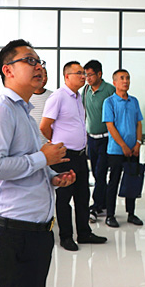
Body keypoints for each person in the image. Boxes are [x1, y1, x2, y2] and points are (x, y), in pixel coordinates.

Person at [0, 39, 76, 287]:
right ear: (7, 70)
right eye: (30, 61)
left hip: (36, 231)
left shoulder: (24, 111)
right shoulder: (1, 111)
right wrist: (43, 158)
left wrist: (53, 178)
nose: (39, 67)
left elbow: (27, 163)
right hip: (16, 233)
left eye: (39, 61)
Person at [40, 61, 107, 251]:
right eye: (79, 73)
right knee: (64, 198)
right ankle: (66, 236)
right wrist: (57, 142)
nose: (83, 76)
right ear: (67, 76)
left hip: (80, 155)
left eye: (83, 73)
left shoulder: (78, 97)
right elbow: (44, 126)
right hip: (64, 155)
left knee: (83, 195)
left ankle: (84, 233)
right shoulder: (58, 96)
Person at [103, 69, 144, 227]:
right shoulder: (109, 102)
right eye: (122, 78)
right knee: (113, 182)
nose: (125, 81)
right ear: (114, 82)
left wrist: (138, 143)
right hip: (116, 150)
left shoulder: (134, 101)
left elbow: (139, 123)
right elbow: (110, 126)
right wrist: (123, 146)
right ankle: (110, 215)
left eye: (127, 78)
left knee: (132, 180)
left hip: (133, 149)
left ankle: (131, 214)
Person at [82, 60, 116, 223]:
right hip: (91, 139)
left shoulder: (109, 90)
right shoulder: (85, 90)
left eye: (90, 75)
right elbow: (83, 112)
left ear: (99, 74)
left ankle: (96, 206)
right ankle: (104, 203)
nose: (87, 78)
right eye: (86, 75)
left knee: (101, 171)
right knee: (96, 173)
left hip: (106, 138)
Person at [29, 67, 53, 145]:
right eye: (40, 75)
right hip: (30, 144)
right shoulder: (25, 96)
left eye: (45, 75)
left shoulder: (53, 96)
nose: (43, 78)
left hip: (48, 143)